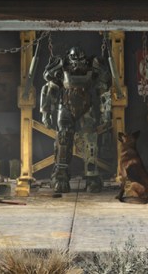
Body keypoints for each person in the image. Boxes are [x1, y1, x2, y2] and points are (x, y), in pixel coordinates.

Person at [40, 46, 111, 193]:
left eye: (81, 62)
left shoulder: (92, 67)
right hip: (65, 107)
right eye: (74, 62)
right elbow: (50, 89)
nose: (77, 66)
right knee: (63, 138)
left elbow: (103, 91)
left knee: (90, 141)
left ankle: (91, 176)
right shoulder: (61, 67)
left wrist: (105, 112)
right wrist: (46, 112)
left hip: (86, 108)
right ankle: (61, 176)